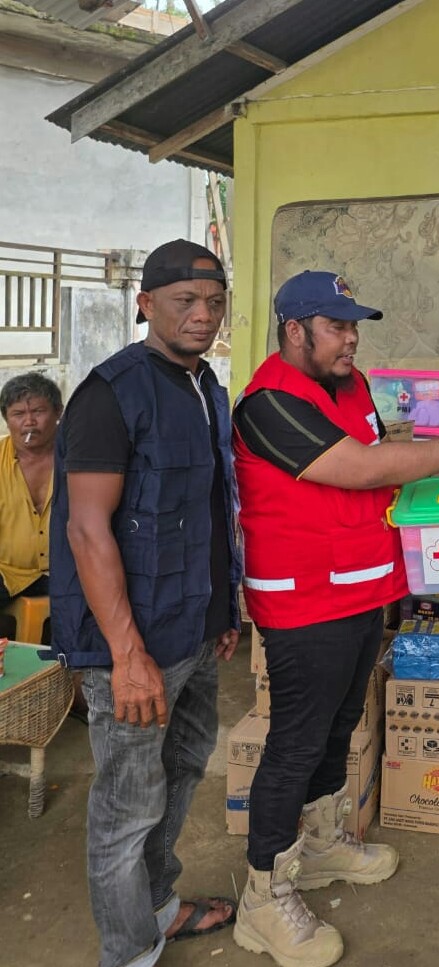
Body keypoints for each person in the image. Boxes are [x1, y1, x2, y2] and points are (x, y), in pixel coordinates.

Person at [231, 269, 439, 967]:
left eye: (354, 325)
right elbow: (359, 466)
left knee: (336, 724)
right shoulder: (268, 402)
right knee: (294, 742)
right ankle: (262, 895)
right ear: (294, 331)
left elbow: (385, 460)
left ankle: (323, 843)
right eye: (336, 326)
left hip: (357, 590)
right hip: (302, 601)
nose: (351, 338)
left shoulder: (348, 387)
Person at [48, 239, 242, 967]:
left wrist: (222, 610)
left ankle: (158, 903)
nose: (202, 316)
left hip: (190, 626)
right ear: (145, 304)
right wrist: (128, 656)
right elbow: (87, 530)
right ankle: (128, 951)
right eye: (185, 302)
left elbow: (205, 507)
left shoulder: (204, 386)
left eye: (215, 302)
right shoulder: (112, 391)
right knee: (127, 805)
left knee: (184, 766)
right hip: (129, 645)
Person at [0, 373, 62, 612]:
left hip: (67, 574)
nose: (29, 422)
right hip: (7, 573)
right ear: (6, 419)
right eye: (18, 414)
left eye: (38, 411)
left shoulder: (78, 458)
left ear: (58, 412)